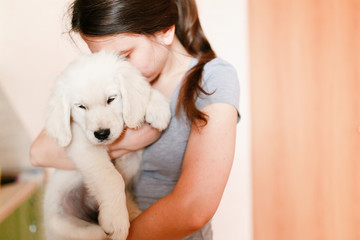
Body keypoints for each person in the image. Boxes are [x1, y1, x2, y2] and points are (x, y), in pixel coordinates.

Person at [30, 0, 240, 239]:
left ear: (165, 31)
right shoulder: (102, 82)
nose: (114, 68)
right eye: (103, 58)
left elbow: (194, 209)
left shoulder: (213, 79)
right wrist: (128, 141)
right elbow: (39, 152)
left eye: (125, 55)